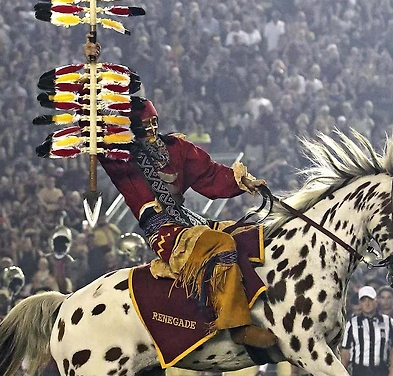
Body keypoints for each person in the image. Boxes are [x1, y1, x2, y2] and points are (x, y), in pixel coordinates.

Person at [94, 90, 274, 349]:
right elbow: (103, 142)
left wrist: (241, 181)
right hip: (163, 230)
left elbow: (210, 173)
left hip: (188, 219)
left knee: (248, 232)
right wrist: (95, 115)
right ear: (134, 129)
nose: (152, 130)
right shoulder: (125, 157)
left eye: (155, 123)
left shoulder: (176, 148)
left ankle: (264, 304)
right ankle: (235, 325)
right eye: (145, 127)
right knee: (220, 243)